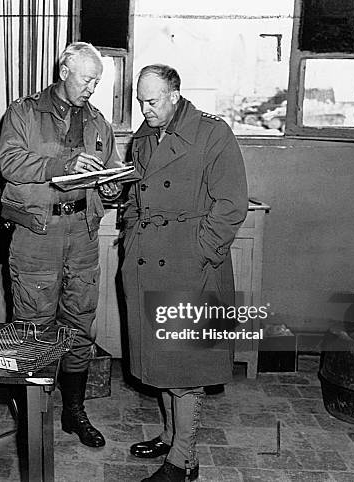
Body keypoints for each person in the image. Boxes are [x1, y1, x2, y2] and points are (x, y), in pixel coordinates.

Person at [120, 64, 248, 481]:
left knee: (185, 370)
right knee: (159, 362)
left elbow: (231, 206)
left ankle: (183, 461)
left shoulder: (213, 133)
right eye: (140, 100)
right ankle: (172, 434)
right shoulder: (143, 136)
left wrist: (199, 253)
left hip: (189, 266)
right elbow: (136, 196)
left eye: (152, 101)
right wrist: (131, 236)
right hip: (147, 262)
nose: (145, 108)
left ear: (175, 95)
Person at [0, 42, 122, 448]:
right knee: (34, 329)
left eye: (98, 81)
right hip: (38, 233)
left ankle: (74, 411)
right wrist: (60, 166)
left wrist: (114, 183)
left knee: (80, 325)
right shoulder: (24, 112)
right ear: (64, 70)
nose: (92, 87)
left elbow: (110, 168)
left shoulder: (99, 122)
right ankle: (32, 419)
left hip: (82, 232)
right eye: (87, 78)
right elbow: (8, 162)